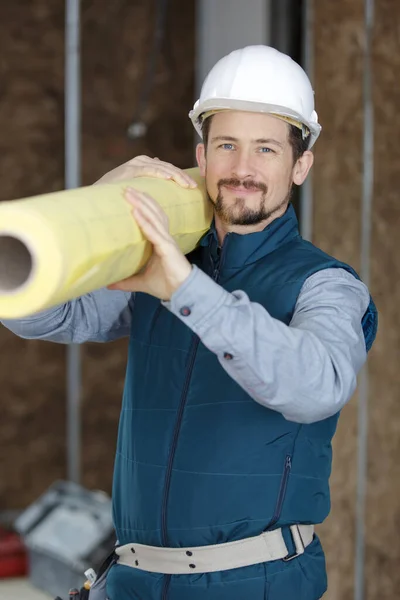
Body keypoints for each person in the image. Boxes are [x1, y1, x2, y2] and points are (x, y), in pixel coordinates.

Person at [2, 46, 377, 600]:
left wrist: (184, 288)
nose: (242, 168)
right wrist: (98, 202)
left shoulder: (325, 285)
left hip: (254, 584)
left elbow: (316, 385)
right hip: (131, 580)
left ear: (301, 165)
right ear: (202, 156)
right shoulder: (160, 261)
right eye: (227, 145)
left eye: (266, 149)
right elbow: (48, 314)